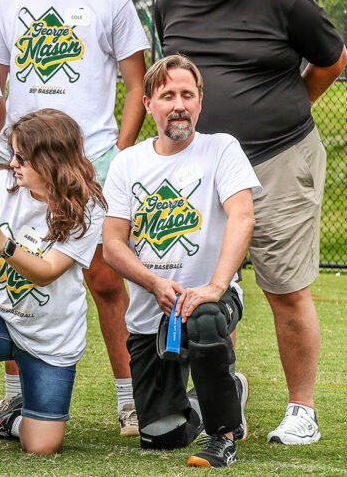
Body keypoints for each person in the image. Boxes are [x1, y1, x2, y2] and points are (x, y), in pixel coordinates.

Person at [155, 0, 347, 445]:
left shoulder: (285, 0)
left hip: (279, 159)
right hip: (204, 168)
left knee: (285, 289)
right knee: (207, 292)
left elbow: (332, 61)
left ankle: (301, 410)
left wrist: (284, 107)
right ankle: (225, 391)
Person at [0, 0, 149, 436]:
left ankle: (130, 400)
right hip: (23, 164)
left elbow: (135, 82)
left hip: (89, 161)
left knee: (104, 278)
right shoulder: (7, 1)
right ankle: (14, 399)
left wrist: (116, 156)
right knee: (13, 271)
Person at [102, 54, 257, 468]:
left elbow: (243, 216)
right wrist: (153, 284)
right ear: (148, 102)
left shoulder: (221, 148)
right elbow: (112, 245)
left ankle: (222, 437)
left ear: (200, 102)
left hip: (211, 296)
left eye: (188, 94)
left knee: (205, 317)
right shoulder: (127, 162)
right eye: (167, 95)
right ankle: (224, 391)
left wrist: (216, 286)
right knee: (161, 436)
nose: (179, 104)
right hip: (151, 314)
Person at [0, 109, 105, 456]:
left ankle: (8, 421)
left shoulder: (88, 206)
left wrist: (5, 245)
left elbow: (47, 272)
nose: (12, 163)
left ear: (50, 160)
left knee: (41, 447)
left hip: (51, 337)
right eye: (12, 154)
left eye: (21, 157)